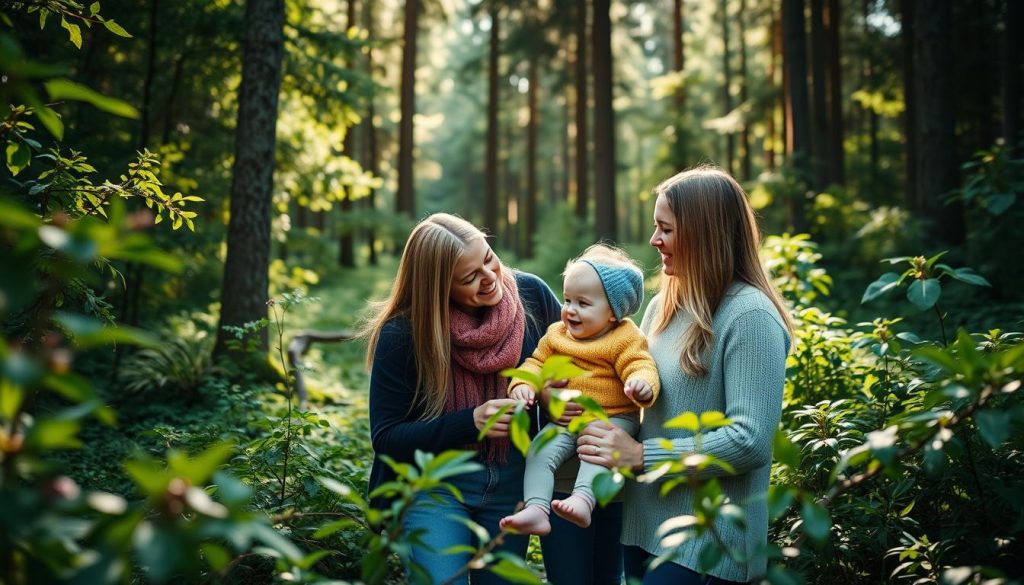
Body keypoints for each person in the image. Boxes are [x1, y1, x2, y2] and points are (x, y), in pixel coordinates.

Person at [575, 167, 793, 584]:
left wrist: (642, 456)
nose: (655, 240)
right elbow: (646, 400)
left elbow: (750, 441)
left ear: (704, 234)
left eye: (666, 229)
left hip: (708, 544)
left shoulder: (750, 316)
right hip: (643, 528)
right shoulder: (662, 307)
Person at [364, 213, 561, 585]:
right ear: (437, 288)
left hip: (514, 482)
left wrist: (555, 394)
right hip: (437, 487)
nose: (489, 277)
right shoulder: (405, 333)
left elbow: (582, 353)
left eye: (488, 257)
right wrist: (469, 422)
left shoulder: (532, 295)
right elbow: (387, 438)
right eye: (470, 277)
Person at [499, 244, 661, 536]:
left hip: (610, 417)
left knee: (597, 453)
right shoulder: (556, 334)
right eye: (567, 300)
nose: (570, 311)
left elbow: (640, 364)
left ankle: (584, 500)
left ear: (613, 311)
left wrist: (642, 385)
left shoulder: (625, 337)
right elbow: (535, 362)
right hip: (566, 422)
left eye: (582, 304)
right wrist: (525, 383)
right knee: (539, 450)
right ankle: (537, 508)